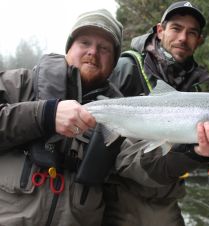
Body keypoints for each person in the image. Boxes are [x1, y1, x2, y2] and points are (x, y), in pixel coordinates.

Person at [104, 1, 209, 225]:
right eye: (176, 28)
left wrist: (201, 152)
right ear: (160, 31)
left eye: (192, 33)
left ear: (199, 40)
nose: (183, 38)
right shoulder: (125, 69)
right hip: (116, 192)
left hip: (164, 195)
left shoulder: (195, 89)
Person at [0, 9, 123, 226]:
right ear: (69, 49)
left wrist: (188, 152)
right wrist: (44, 115)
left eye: (104, 48)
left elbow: (139, 164)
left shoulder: (123, 113)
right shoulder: (19, 83)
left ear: (113, 62)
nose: (93, 52)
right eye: (84, 42)